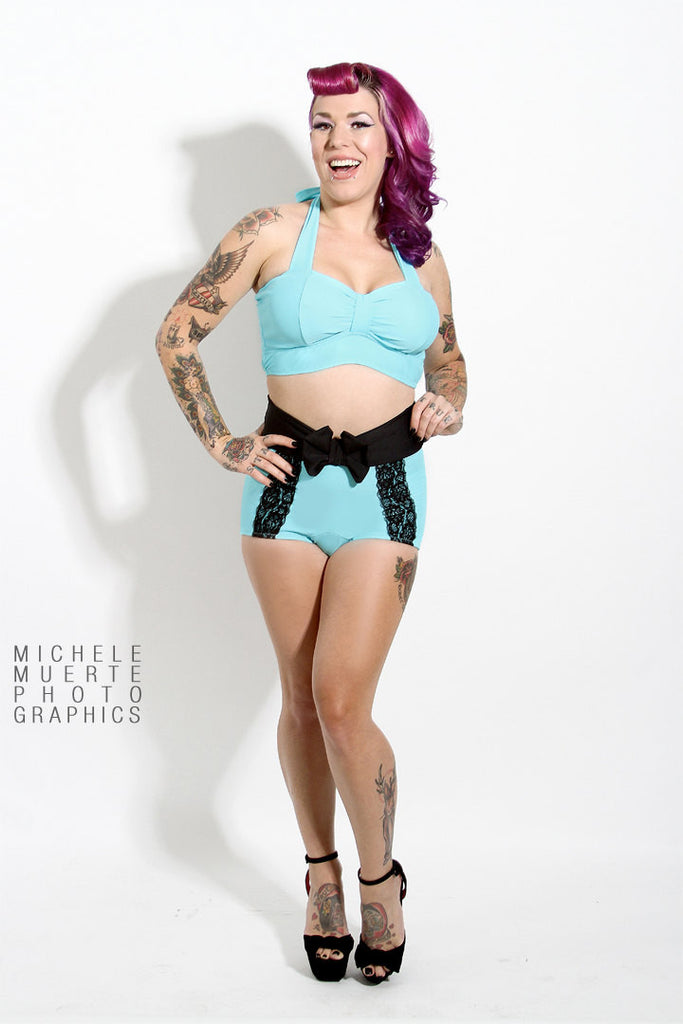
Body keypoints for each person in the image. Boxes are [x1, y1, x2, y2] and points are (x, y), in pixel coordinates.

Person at [156, 61, 466, 984]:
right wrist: (222, 441)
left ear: (392, 140)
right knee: (299, 698)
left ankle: (380, 881)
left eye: (358, 123)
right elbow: (177, 333)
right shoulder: (269, 232)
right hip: (283, 491)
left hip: (387, 489)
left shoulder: (420, 255)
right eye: (323, 123)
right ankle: (321, 876)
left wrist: (447, 403)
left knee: (341, 701)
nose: (338, 141)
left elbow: (450, 363)